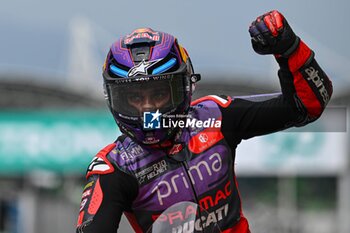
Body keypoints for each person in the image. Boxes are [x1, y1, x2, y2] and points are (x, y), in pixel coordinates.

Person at [76, 10, 333, 233]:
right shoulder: (114, 167)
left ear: (185, 87)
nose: (148, 109)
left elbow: (306, 106)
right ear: (113, 97)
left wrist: (290, 49)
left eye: (158, 94)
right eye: (134, 97)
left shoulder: (215, 116)